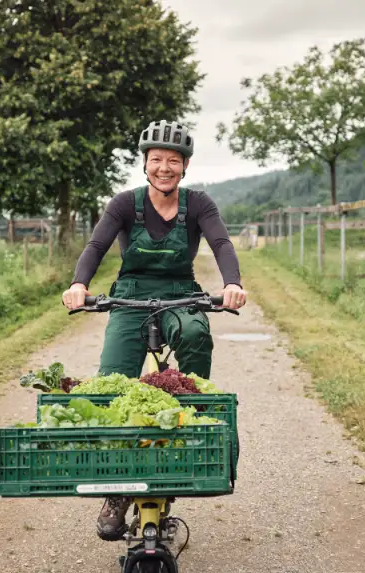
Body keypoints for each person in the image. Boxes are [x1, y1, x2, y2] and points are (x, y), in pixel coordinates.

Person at [61, 119, 247, 540]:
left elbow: (221, 244)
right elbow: (96, 246)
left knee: (197, 336)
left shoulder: (199, 204)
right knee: (111, 383)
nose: (165, 167)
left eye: (174, 161)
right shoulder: (125, 204)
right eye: (157, 159)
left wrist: (232, 283)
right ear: (145, 164)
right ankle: (117, 494)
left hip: (181, 293)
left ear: (184, 167)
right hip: (129, 296)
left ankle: (194, 430)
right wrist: (78, 285)